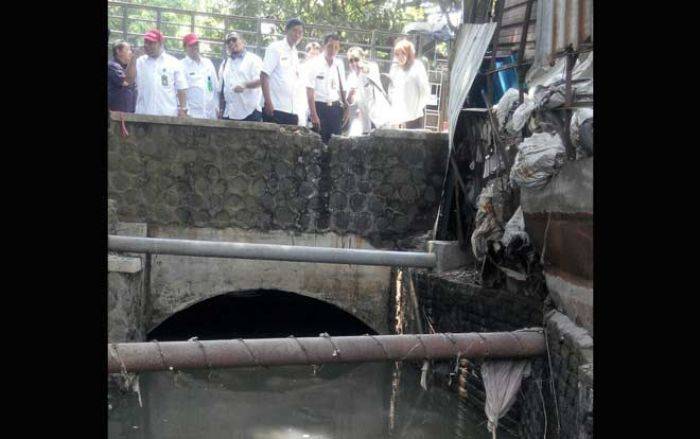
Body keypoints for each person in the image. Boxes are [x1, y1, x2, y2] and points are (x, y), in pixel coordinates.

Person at [126, 29, 188, 117]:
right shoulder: (139, 61)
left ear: (160, 43)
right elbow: (128, 81)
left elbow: (181, 88)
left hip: (167, 115)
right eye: (145, 42)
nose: (147, 45)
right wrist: (134, 58)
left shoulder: (173, 62)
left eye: (151, 43)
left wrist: (182, 108)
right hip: (143, 115)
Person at [305, 34, 349, 144]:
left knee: (335, 144)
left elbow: (342, 88)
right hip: (319, 107)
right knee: (318, 144)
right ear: (324, 46)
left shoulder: (339, 64)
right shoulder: (314, 63)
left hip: (334, 108)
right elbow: (309, 91)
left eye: (336, 47)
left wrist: (346, 106)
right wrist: (314, 114)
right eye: (330, 46)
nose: (332, 50)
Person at [260, 18, 304, 125]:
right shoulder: (275, 48)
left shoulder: (295, 52)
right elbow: (264, 75)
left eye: (300, 32)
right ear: (286, 31)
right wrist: (268, 102)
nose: (297, 34)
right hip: (275, 108)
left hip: (291, 110)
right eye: (295, 30)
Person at [218, 32, 263, 122]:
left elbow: (261, 80)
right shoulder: (225, 63)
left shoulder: (254, 59)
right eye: (228, 42)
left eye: (234, 40)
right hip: (229, 114)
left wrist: (244, 85)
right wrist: (220, 109)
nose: (231, 43)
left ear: (243, 42)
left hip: (250, 113)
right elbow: (221, 89)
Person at [388, 39, 430, 129]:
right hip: (397, 117)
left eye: (403, 53)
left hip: (414, 116)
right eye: (397, 54)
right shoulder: (395, 68)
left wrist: (417, 109)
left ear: (409, 54)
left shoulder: (417, 67)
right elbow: (391, 89)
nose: (400, 56)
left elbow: (425, 90)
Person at [345, 46, 386, 136]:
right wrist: (350, 96)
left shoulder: (372, 67)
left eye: (356, 59)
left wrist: (363, 68)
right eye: (351, 61)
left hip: (377, 116)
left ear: (362, 58)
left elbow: (371, 73)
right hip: (362, 119)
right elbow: (349, 102)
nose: (354, 63)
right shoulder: (351, 77)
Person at [181, 33, 219, 119]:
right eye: (190, 45)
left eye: (196, 44)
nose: (194, 47)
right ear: (185, 48)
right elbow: (179, 91)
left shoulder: (208, 63)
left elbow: (214, 88)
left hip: (210, 115)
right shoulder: (181, 66)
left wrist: (217, 106)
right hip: (192, 115)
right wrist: (184, 112)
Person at [294, 41, 321, 127]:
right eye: (312, 53)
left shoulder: (321, 68)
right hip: (302, 100)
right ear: (307, 54)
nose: (315, 56)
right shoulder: (301, 67)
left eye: (317, 54)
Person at [108, 40, 136, 113]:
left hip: (127, 113)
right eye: (128, 49)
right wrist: (134, 59)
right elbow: (126, 81)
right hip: (116, 115)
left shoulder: (126, 67)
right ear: (118, 51)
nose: (131, 52)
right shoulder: (112, 66)